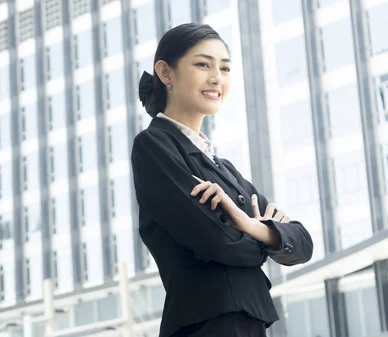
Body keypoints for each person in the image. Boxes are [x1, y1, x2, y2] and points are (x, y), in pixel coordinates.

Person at [131, 23, 314, 337]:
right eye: (203, 64)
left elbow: (303, 244)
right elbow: (219, 242)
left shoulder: (224, 169)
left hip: (248, 323)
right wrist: (266, 242)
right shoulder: (154, 146)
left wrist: (248, 223)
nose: (217, 77)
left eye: (225, 68)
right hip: (207, 325)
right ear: (166, 73)